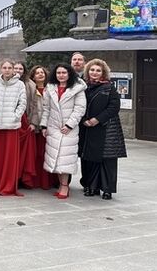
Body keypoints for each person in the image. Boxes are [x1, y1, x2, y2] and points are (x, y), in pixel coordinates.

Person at [79, 59, 126, 200]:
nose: (95, 73)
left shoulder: (109, 87)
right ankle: (91, 186)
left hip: (106, 128)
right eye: (92, 70)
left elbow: (114, 107)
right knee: (89, 159)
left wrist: (97, 119)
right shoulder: (83, 87)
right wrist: (84, 120)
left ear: (103, 73)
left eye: (98, 70)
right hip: (87, 127)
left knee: (107, 160)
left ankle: (107, 189)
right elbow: (78, 105)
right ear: (88, 71)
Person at [40, 63, 87, 200]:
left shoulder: (77, 88)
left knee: (65, 159)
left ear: (69, 74)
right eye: (58, 73)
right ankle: (61, 184)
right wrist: (44, 126)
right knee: (55, 158)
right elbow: (46, 108)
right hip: (53, 127)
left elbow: (79, 109)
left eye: (64, 73)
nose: (61, 75)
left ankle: (65, 186)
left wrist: (69, 125)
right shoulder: (50, 88)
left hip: (68, 129)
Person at [0, 60, 27, 196]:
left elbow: (22, 103)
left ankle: (7, 185)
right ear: (0, 69)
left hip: (11, 127)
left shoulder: (20, 84)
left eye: (9, 67)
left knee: (9, 159)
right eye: (4, 67)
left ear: (13, 69)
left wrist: (15, 117)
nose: (7, 70)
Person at [27, 65, 55, 190]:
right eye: (37, 73)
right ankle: (36, 180)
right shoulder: (31, 89)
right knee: (37, 154)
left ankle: (48, 181)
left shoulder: (51, 89)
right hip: (35, 126)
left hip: (49, 125)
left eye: (42, 72)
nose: (40, 74)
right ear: (33, 76)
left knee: (47, 153)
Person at [14, 61, 38, 189]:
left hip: (25, 121)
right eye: (16, 68)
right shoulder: (7, 82)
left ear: (24, 71)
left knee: (25, 152)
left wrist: (33, 122)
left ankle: (23, 178)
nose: (18, 71)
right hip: (11, 121)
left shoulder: (31, 85)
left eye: (20, 69)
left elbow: (34, 105)